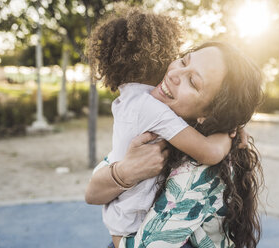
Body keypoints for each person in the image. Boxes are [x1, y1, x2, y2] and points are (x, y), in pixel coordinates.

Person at [86, 8, 240, 248]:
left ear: (207, 113)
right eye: (182, 60)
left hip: (126, 229)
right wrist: (225, 137)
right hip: (129, 229)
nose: (175, 73)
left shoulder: (129, 101)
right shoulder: (151, 107)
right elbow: (91, 193)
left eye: (193, 81)